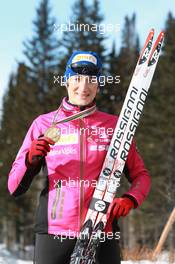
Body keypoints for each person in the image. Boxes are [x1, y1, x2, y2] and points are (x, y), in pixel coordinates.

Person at [8, 50, 151, 264]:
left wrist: (130, 199)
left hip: (102, 229)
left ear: (98, 84)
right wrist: (30, 158)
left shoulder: (115, 127)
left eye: (91, 80)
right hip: (54, 232)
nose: (83, 87)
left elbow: (142, 176)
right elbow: (13, 187)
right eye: (76, 79)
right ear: (66, 81)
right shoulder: (44, 124)